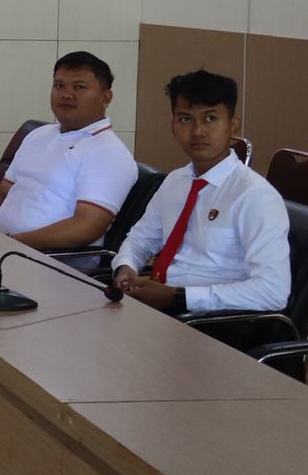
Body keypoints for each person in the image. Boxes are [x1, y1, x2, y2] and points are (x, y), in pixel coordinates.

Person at [111, 71, 290, 345]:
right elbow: (139, 239)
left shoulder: (254, 195)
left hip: (220, 324)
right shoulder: (176, 181)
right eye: (185, 119)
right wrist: (125, 267)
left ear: (233, 125)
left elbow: (273, 291)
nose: (197, 131)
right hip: (165, 310)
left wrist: (179, 296)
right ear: (173, 125)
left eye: (210, 118)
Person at [0, 52, 138, 249]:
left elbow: (86, 227)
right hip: (0, 248)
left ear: (105, 98)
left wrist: (12, 244)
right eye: (59, 86)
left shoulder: (109, 152)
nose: (66, 95)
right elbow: (1, 194)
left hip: (48, 259)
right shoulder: (38, 134)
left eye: (79, 87)